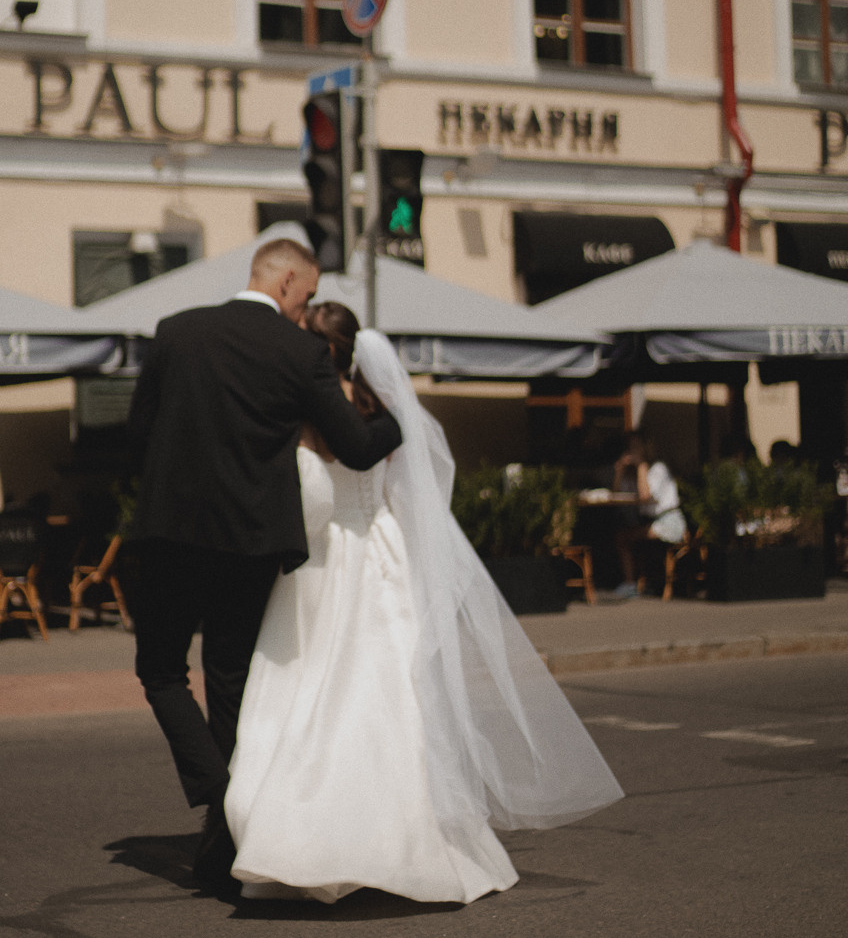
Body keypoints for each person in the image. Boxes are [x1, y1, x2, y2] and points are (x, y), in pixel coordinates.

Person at [225, 306, 624, 904]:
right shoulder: (374, 411)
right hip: (380, 548)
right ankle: (404, 839)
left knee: (309, 688)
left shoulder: (307, 412)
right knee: (391, 695)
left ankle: (306, 836)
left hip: (328, 553)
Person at [123, 238, 403, 892]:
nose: (305, 313)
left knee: (161, 672)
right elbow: (358, 449)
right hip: (250, 542)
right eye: (305, 297)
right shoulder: (298, 352)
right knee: (229, 681)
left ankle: (220, 799)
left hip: (171, 534)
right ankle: (229, 828)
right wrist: (400, 423)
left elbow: (137, 433)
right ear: (283, 280)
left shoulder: (176, 332)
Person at [613, 432, 686, 596]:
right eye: (630, 448)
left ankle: (631, 583)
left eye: (636, 447)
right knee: (623, 534)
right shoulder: (633, 473)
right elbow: (617, 494)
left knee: (624, 537)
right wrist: (619, 471)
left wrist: (641, 466)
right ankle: (633, 582)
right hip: (648, 521)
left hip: (668, 522)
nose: (632, 452)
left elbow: (645, 496)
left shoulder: (658, 469)